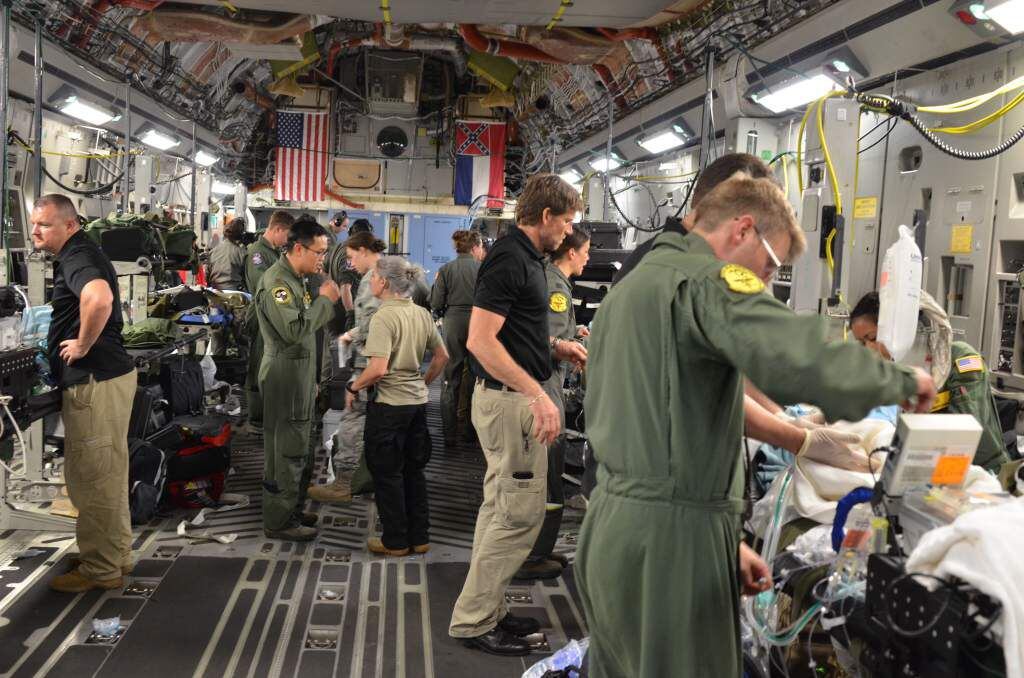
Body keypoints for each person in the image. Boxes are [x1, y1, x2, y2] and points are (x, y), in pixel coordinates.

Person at [577, 176, 936, 678]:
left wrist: (724, 542)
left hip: (615, 531)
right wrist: (897, 379)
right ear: (742, 229)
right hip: (668, 544)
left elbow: (665, 419)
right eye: (770, 264)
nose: (765, 282)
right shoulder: (706, 281)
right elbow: (791, 353)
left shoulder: (633, 289)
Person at [448, 174, 588, 657]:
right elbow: (480, 341)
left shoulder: (526, 258)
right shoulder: (511, 259)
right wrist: (538, 394)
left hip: (512, 396)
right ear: (545, 216)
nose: (569, 233)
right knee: (517, 517)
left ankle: (486, 609)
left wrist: (554, 345)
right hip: (511, 402)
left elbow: (511, 332)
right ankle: (472, 621)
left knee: (500, 512)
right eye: (566, 222)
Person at [31, 194, 138, 593]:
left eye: (45, 224)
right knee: (108, 474)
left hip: (94, 381)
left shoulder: (77, 256)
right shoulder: (81, 250)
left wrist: (81, 344)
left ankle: (101, 568)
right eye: (34, 223)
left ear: (70, 225)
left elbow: (100, 298)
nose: (36, 230)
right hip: (107, 380)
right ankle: (116, 553)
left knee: (92, 478)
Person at [348, 256, 449, 556]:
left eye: (375, 277)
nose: (372, 281)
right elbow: (442, 356)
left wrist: (352, 386)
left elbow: (377, 369)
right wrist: (422, 381)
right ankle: (420, 537)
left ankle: (395, 541)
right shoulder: (420, 314)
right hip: (416, 405)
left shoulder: (383, 317)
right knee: (413, 472)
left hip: (389, 407)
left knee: (387, 474)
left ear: (385, 282)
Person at [850, 290, 1009, 473]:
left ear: (901, 332)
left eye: (872, 338)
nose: (868, 350)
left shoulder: (961, 360)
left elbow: (965, 438)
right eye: (861, 343)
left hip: (984, 471)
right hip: (930, 470)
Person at [255, 219, 341, 540]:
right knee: (285, 453)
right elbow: (292, 332)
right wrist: (325, 301)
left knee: (301, 450)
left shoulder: (298, 280)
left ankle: (290, 508)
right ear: (299, 248)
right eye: (319, 253)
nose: (322, 259)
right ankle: (278, 520)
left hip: (301, 377)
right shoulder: (277, 282)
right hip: (285, 378)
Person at [518, 225, 591, 580]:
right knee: (550, 466)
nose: (589, 258)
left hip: (544, 381)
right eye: (587, 252)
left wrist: (573, 334)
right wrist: (562, 346)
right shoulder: (557, 287)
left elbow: (550, 330)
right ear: (572, 253)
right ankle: (534, 554)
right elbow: (543, 338)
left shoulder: (550, 279)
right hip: (545, 383)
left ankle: (538, 550)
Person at [308, 231, 387, 504]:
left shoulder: (373, 279)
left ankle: (343, 484)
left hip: (369, 363)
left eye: (353, 257)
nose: (350, 263)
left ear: (364, 250)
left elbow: (375, 322)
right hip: (380, 362)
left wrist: (351, 335)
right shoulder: (389, 273)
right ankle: (372, 480)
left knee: (353, 419)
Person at [430, 230, 486, 446]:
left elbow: (435, 303)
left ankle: (449, 434)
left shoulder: (445, 270)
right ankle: (470, 432)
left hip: (453, 323)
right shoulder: (483, 270)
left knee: (450, 379)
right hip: (478, 322)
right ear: (475, 247)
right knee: (474, 377)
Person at [243, 211, 293, 436]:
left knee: (270, 366)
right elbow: (265, 285)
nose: (288, 241)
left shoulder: (273, 253)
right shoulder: (258, 254)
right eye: (287, 235)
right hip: (262, 316)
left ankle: (268, 413)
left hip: (274, 317)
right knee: (258, 365)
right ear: (278, 230)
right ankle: (257, 419)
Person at [207, 218, 248, 291]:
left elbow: (207, 274)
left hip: (215, 292)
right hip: (235, 294)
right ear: (241, 235)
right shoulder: (242, 252)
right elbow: (248, 277)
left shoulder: (213, 251)